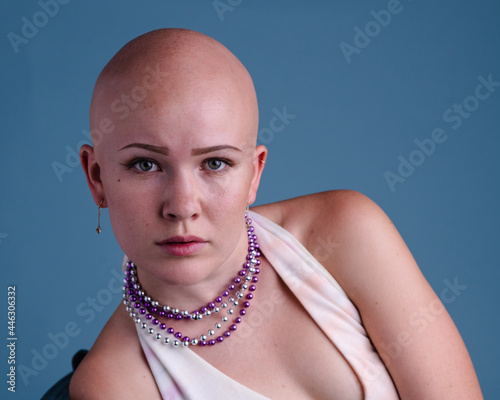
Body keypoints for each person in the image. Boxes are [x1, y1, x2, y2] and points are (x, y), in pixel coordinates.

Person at [69, 28, 483, 399]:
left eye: (215, 163)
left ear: (254, 173)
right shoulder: (113, 384)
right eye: (146, 164)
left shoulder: (343, 233)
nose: (182, 207)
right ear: (97, 177)